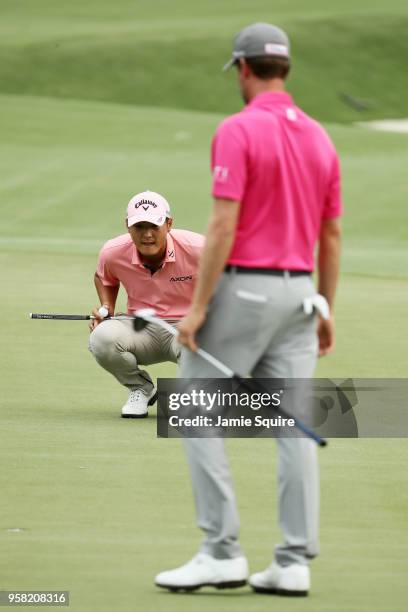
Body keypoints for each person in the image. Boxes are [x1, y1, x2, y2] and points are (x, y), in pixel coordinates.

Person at [155, 23, 342, 595]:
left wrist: (198, 308)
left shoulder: (237, 129)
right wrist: (325, 307)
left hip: (248, 290)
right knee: (293, 425)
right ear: (283, 68)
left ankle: (220, 551)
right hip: (301, 295)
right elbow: (331, 235)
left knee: (191, 406)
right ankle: (292, 562)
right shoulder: (320, 136)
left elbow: (222, 223)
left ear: (243, 68)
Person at [89, 190, 204, 418]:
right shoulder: (113, 252)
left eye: (154, 226)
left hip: (188, 328)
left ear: (169, 224)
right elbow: (104, 278)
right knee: (101, 337)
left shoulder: (199, 249)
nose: (147, 235)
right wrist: (106, 307)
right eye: (139, 227)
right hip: (141, 327)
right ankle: (140, 388)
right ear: (127, 226)